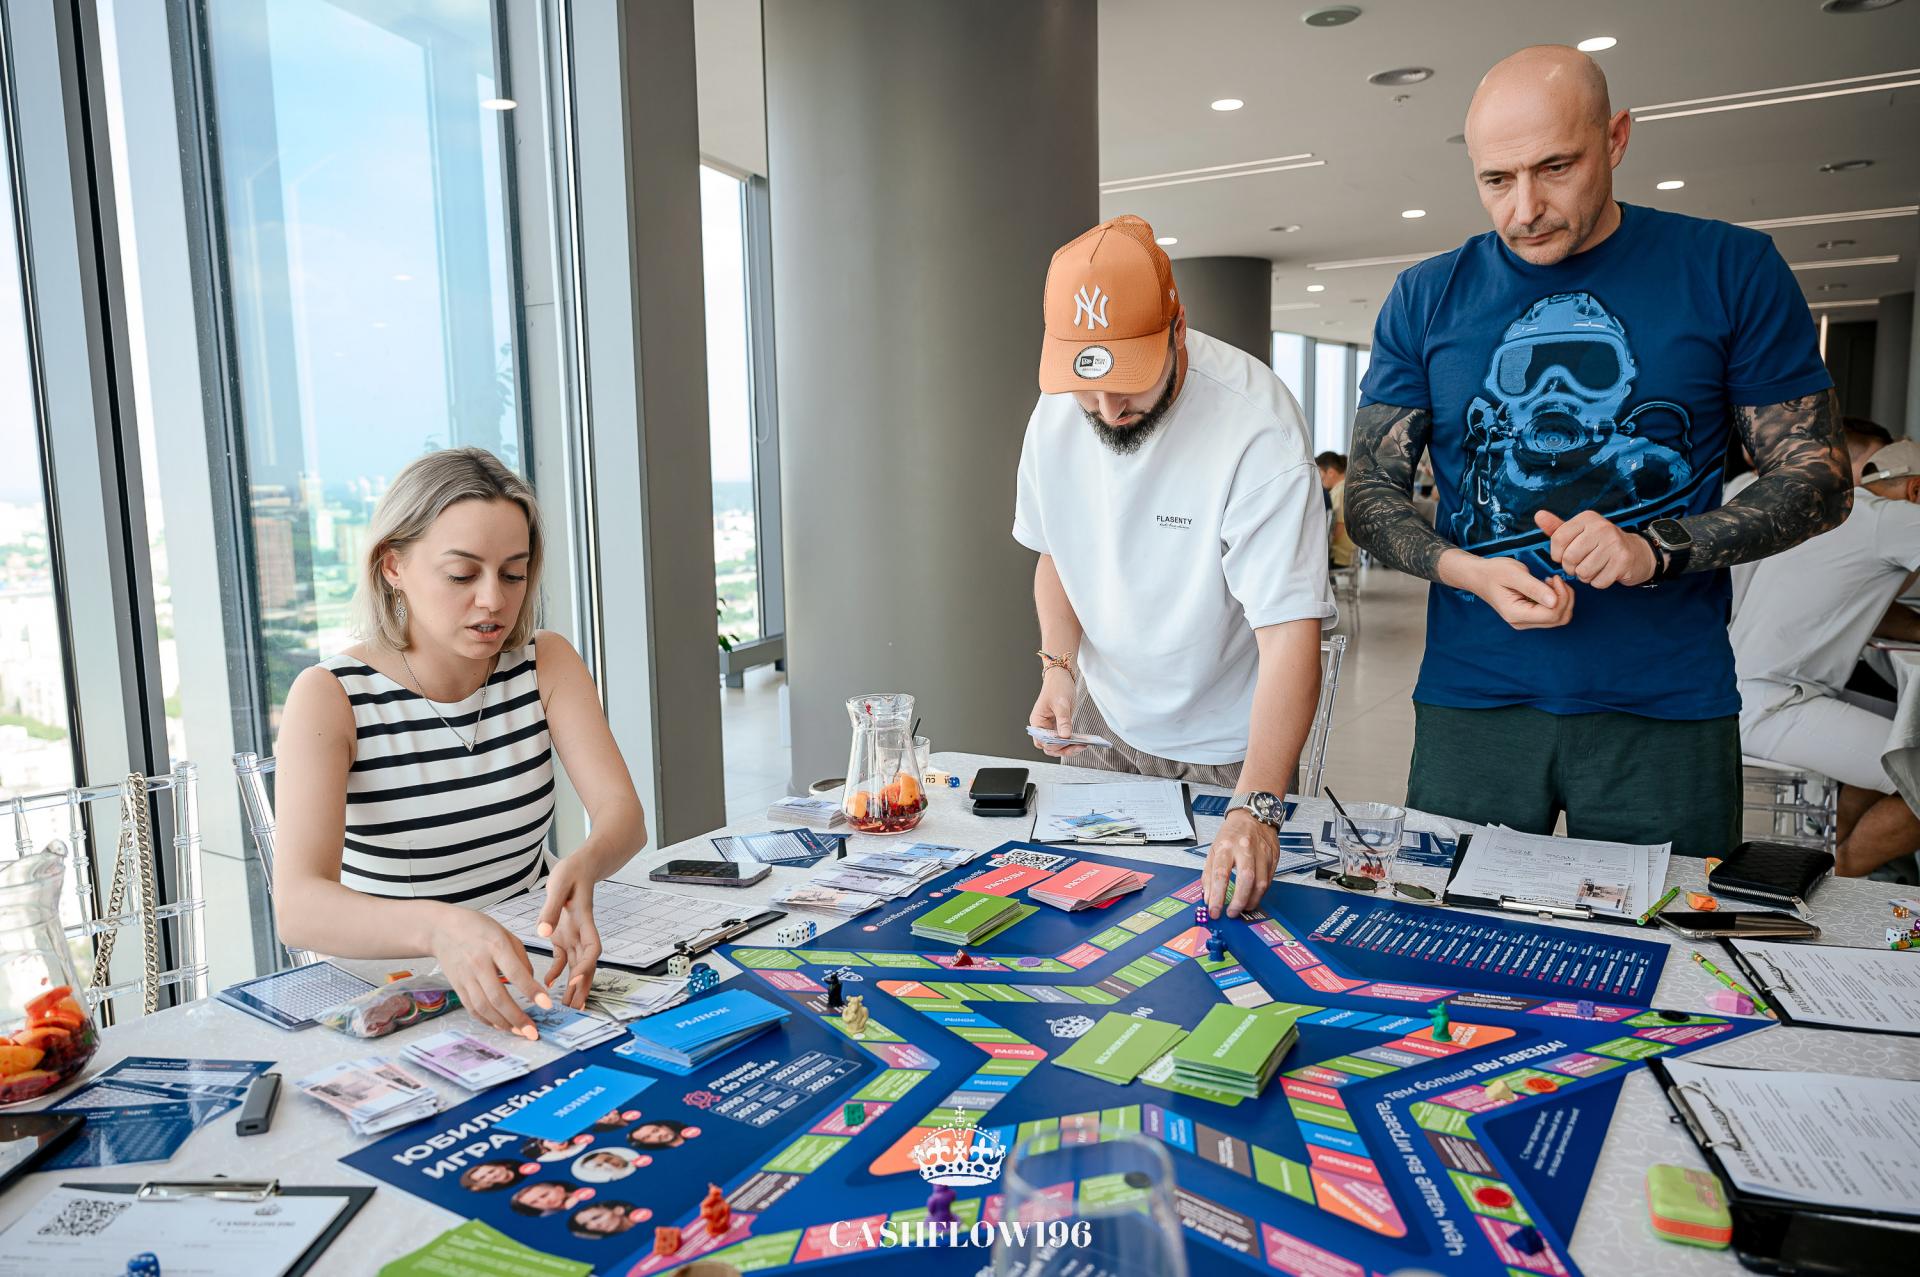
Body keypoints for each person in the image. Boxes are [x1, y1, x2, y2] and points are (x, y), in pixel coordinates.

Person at [1344, 45, 1849, 857]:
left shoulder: (1729, 270)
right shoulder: (1427, 296)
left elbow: (1819, 477)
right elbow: (1369, 494)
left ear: (1615, 139)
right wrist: (1466, 570)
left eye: (1555, 167)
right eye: (1496, 180)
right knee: (1454, 926)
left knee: (1673, 931)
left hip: (1665, 707)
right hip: (1474, 699)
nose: (1526, 208)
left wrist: (1658, 548)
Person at [1015, 214, 1333, 917]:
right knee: (1086, 920)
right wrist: (1058, 669)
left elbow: (1290, 633)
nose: (1107, 409)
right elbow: (1055, 552)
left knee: (1220, 933)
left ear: (1178, 328)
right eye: (1088, 389)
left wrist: (1257, 804)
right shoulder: (1055, 413)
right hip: (1104, 717)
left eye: (1128, 382)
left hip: (1227, 742)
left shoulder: (1258, 428)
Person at [273, 448, 650, 1035]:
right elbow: (298, 908)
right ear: (392, 566)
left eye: (513, 574)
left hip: (526, 963)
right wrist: (441, 927)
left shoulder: (545, 662)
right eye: (461, 575)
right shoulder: (330, 695)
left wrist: (584, 864)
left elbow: (622, 814)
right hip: (391, 992)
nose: (494, 600)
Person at [1733, 441, 1920, 876]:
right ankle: (1844, 875)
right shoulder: (1891, 518)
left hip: (1753, 691)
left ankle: (1837, 858)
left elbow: (1871, 605)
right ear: (1915, 491)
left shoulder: (1837, 516)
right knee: (1910, 760)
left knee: (1902, 731)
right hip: (1777, 703)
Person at [1317, 452, 1357, 570]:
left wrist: (1321, 547)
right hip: (1346, 552)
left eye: (1320, 473)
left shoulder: (1339, 491)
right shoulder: (1343, 488)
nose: (1319, 478)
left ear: (1331, 472)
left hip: (1339, 555)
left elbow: (1339, 526)